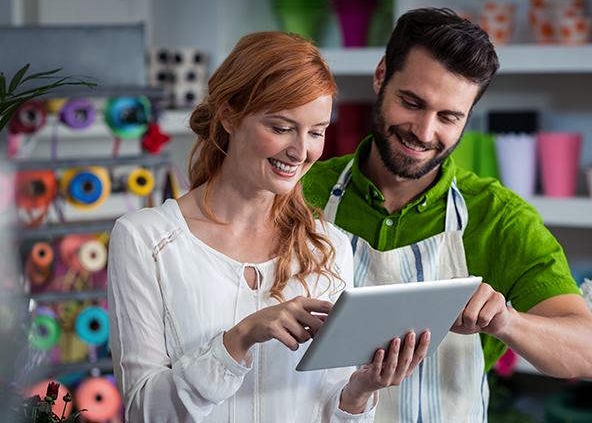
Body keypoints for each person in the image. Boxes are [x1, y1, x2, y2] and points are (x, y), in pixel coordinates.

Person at [302, 7, 592, 422]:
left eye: (449, 117)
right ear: (381, 76)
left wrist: (507, 322)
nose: (425, 132)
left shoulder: (498, 217)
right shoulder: (302, 191)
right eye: (412, 103)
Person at [106, 31, 430, 423]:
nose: (300, 151)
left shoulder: (328, 246)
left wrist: (359, 393)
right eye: (280, 127)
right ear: (229, 114)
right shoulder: (145, 240)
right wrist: (239, 339)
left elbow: (331, 409)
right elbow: (145, 412)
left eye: (316, 132)